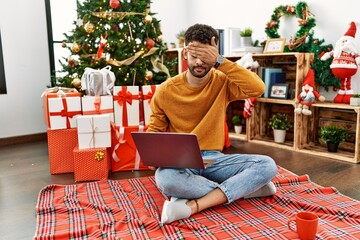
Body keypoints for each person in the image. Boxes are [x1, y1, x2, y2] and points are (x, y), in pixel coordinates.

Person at [147, 23, 278, 224]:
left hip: (214, 160)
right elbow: (154, 131)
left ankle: (194, 205)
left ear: (215, 55)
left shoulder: (222, 81)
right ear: (185, 55)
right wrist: (152, 155)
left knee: (267, 165)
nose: (199, 62)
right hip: (181, 163)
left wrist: (219, 61)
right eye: (194, 56)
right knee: (166, 180)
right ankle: (245, 189)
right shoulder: (165, 90)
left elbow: (257, 88)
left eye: (206, 56)